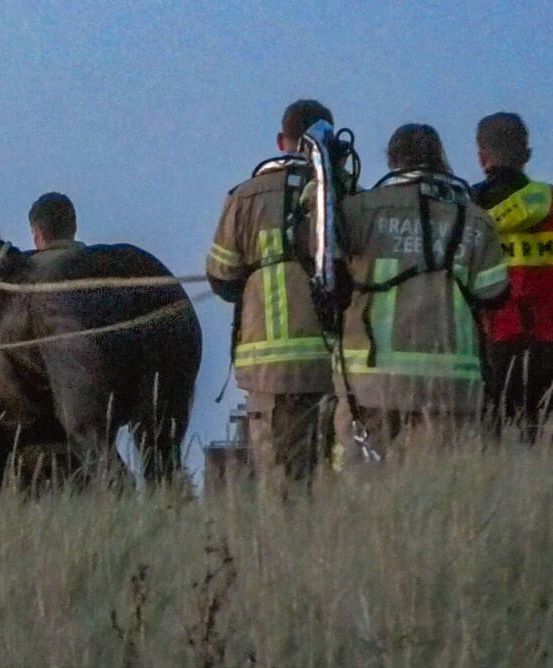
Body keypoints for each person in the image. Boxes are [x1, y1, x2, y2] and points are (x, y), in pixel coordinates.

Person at [332, 124, 508, 464]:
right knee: (438, 490)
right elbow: (494, 294)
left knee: (361, 489)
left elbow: (328, 278)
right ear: (440, 158)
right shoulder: (474, 219)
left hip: (370, 383)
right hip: (450, 385)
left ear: (392, 160)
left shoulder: (358, 211)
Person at [206, 99, 337, 482]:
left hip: (271, 372)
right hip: (342, 365)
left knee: (282, 480)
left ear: (282, 141)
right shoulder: (347, 194)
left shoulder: (244, 198)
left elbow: (221, 277)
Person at [472, 112, 553, 439]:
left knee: (493, 446)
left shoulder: (469, 207)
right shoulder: (550, 202)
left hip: (494, 342)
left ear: (481, 158)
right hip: (549, 342)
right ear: (528, 155)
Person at [28, 192, 86, 267]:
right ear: (75, 227)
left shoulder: (26, 270)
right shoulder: (98, 261)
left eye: (33, 232)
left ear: (39, 236)